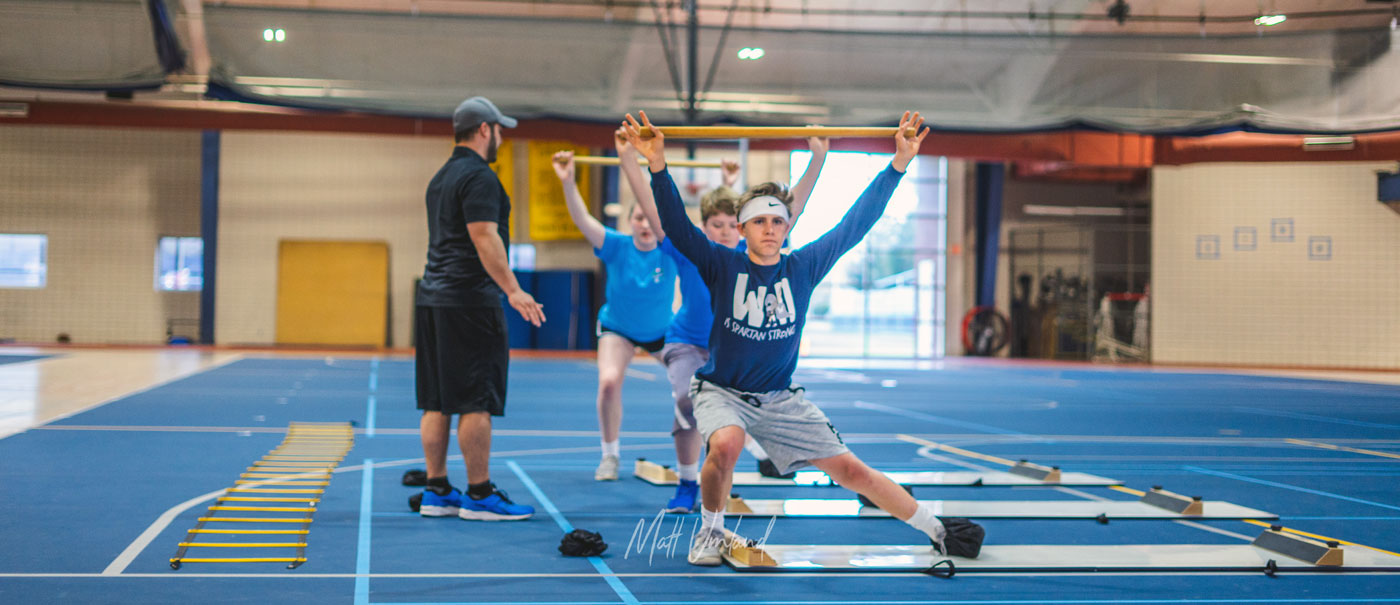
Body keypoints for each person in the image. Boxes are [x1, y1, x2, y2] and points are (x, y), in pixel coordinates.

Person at [622, 110, 985, 565]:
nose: (769, 229)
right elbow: (676, 224)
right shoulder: (722, 265)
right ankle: (710, 533)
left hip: (779, 399)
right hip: (722, 391)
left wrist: (898, 165)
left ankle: (936, 529)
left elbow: (856, 224)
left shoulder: (804, 267)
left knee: (850, 469)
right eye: (758, 222)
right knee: (728, 444)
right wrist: (657, 165)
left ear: (786, 228)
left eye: (776, 222)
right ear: (742, 229)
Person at [614, 131, 829, 512]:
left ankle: (725, 466)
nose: (727, 231)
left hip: (726, 351)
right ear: (705, 227)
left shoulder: (754, 253)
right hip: (687, 343)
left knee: (726, 413)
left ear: (743, 227)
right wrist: (631, 159)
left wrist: (816, 160)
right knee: (686, 403)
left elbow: (790, 208)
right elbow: (654, 207)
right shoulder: (696, 250)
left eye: (733, 225)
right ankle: (686, 482)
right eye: (717, 225)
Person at [415, 96, 542, 521]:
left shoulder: (440, 177)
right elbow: (484, 236)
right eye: (500, 130)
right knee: (475, 401)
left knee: (438, 400)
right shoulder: (480, 178)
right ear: (485, 130)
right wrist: (513, 290)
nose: (502, 138)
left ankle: (436, 490)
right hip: (469, 301)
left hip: (434, 299)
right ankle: (479, 494)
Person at [550, 150, 678, 482]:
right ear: (630, 222)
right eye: (638, 219)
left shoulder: (672, 249)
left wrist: (728, 181)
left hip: (662, 331)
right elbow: (583, 221)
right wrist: (568, 182)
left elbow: (716, 229)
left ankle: (702, 454)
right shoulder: (618, 246)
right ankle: (610, 455)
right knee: (608, 383)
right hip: (617, 329)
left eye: (650, 219)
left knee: (695, 385)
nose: (645, 225)